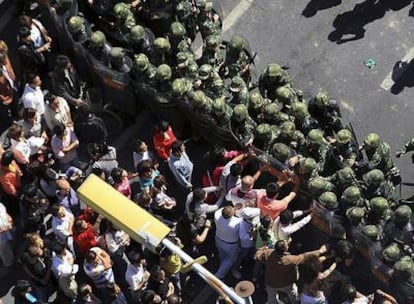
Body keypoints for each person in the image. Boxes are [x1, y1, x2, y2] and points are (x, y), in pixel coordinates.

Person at [255, 240, 327, 304]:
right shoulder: (290, 259)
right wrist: (319, 251)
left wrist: (263, 249)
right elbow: (303, 256)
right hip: (286, 283)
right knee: (293, 294)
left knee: (271, 298)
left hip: (270, 282)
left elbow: (258, 255)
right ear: (285, 249)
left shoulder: (268, 253)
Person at [214, 206, 242, 279]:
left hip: (218, 239)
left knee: (222, 256)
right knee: (230, 260)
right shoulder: (236, 223)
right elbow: (244, 219)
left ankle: (223, 266)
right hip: (230, 245)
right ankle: (219, 275)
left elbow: (223, 209)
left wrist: (233, 209)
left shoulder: (216, 215)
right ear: (232, 215)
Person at [0, 52, 17, 133]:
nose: (5, 63)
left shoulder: (3, 67)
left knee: (12, 106)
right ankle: (7, 126)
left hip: (10, 90)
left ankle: (13, 118)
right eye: (3, 61)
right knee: (4, 111)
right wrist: (2, 97)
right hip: (2, 96)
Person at [0, 202, 14, 269]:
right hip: (1, 237)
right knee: (3, 251)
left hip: (6, 230)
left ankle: (12, 257)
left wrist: (10, 220)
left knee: (8, 245)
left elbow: (5, 213)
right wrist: (5, 228)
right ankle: (9, 265)